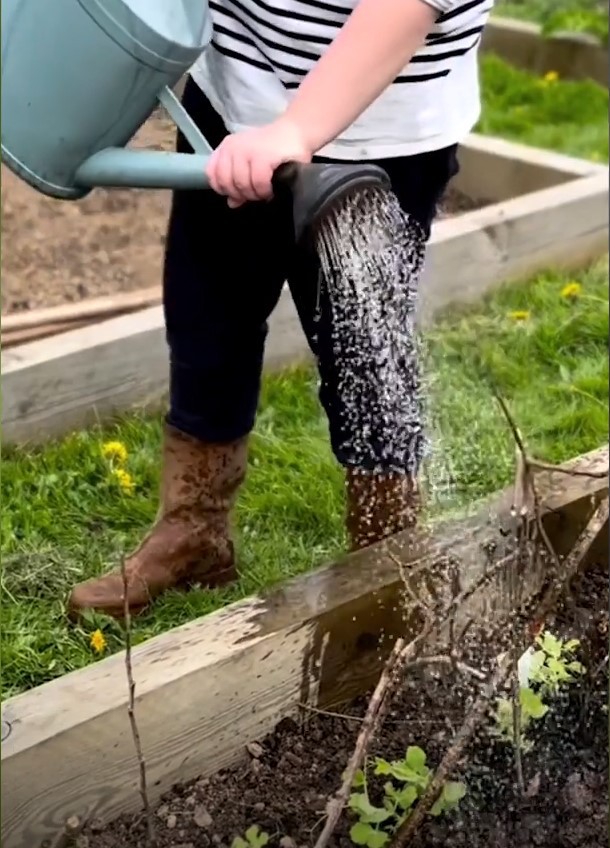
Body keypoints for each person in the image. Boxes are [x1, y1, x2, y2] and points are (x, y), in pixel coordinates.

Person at [69, 0, 494, 618]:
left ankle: (387, 557)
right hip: (236, 102)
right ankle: (195, 533)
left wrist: (297, 131)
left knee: (364, 352)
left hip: (379, 124)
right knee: (207, 317)